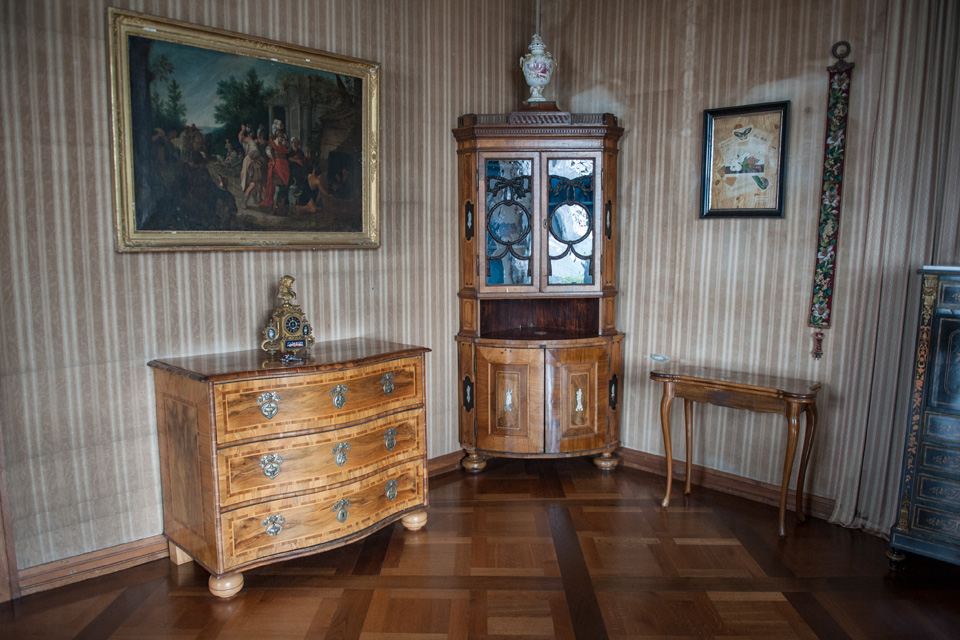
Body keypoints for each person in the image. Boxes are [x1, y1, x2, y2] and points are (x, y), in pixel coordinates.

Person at [259, 129, 291, 213]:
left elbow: (285, 155)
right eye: (280, 137)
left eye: (282, 138)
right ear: (277, 137)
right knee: (277, 188)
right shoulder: (272, 144)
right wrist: (273, 159)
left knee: (283, 188)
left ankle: (282, 206)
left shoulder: (282, 146)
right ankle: (274, 208)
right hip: (277, 168)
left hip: (284, 168)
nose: (282, 139)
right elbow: (268, 151)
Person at [238, 124, 264, 209]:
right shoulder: (248, 140)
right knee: (252, 184)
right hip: (250, 164)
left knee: (257, 182)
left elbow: (262, 143)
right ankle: (244, 202)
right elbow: (253, 154)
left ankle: (255, 199)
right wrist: (242, 130)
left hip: (255, 163)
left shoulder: (253, 141)